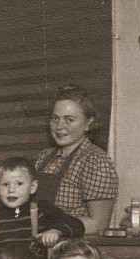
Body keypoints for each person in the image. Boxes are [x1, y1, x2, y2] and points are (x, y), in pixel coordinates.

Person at [35, 84, 118, 232]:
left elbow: (98, 224)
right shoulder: (43, 157)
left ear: (88, 123)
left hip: (71, 247)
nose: (59, 126)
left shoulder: (96, 161)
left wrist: (58, 230)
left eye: (69, 120)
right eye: (55, 118)